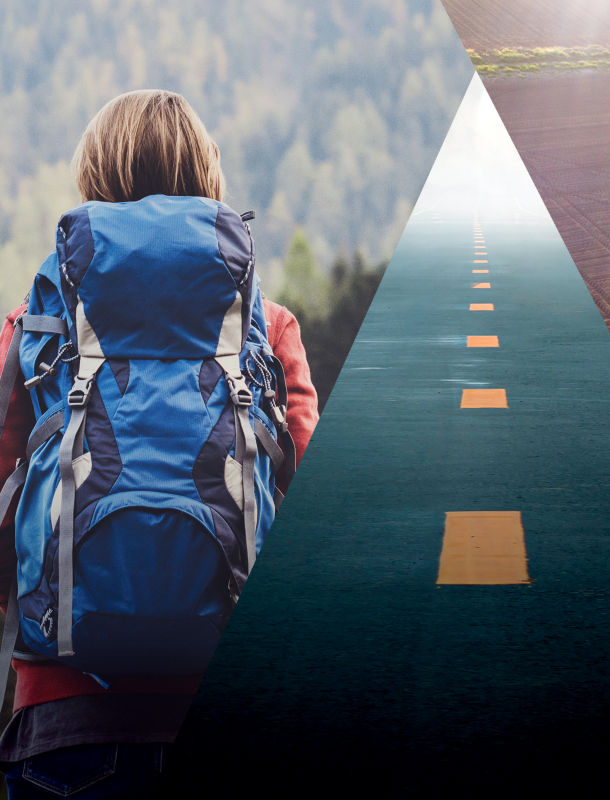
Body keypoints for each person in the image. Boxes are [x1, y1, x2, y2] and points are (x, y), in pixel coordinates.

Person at [0, 90, 319, 798]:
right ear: (206, 177)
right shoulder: (268, 327)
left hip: (66, 719)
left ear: (94, 178)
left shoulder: (35, 328)